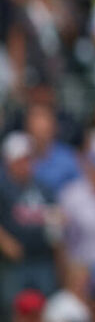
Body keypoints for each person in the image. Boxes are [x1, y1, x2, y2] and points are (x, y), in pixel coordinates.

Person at [0, 133, 58, 316]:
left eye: (27, 159)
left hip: (42, 257)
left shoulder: (43, 188)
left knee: (44, 308)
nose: (24, 164)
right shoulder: (3, 188)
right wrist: (4, 241)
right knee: (14, 308)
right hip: (14, 262)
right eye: (19, 160)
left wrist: (58, 224)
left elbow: (55, 217)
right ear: (9, 162)